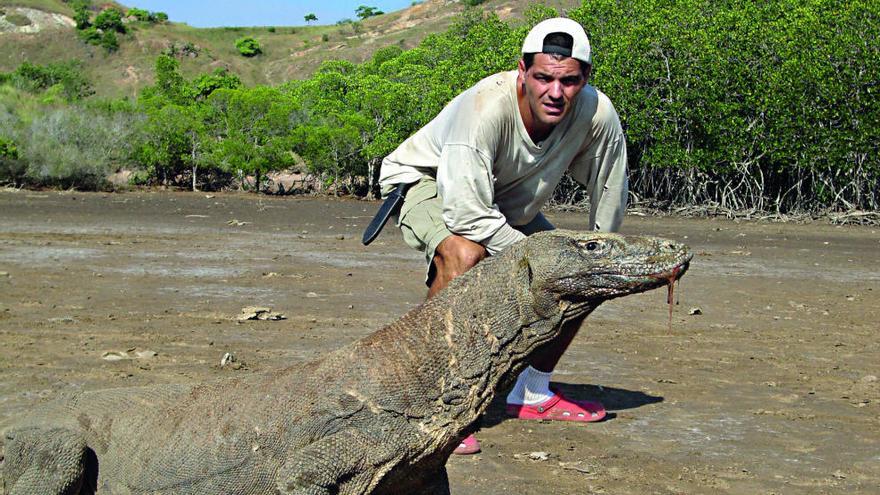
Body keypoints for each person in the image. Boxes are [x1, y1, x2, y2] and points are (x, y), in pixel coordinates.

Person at [377, 17, 628, 455]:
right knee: (463, 253)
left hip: (502, 198)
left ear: (585, 79)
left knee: (584, 274)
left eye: (568, 81)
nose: (555, 92)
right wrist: (539, 256)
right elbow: (467, 214)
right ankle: (434, 404)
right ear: (522, 71)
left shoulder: (597, 113)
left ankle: (530, 391)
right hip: (427, 180)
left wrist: (595, 259)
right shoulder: (485, 108)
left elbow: (609, 191)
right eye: (543, 78)